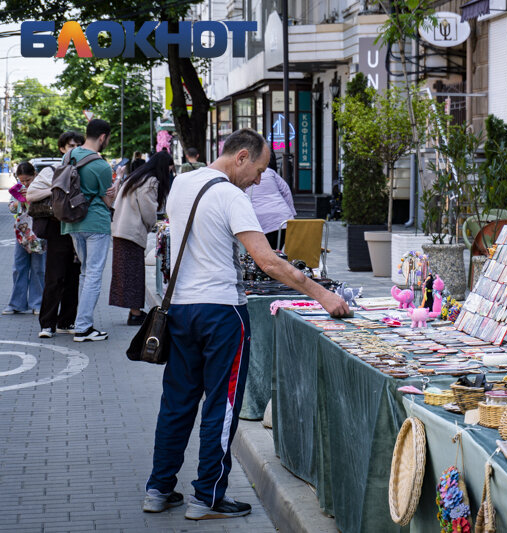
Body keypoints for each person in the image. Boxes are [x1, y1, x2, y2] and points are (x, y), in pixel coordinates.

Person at [143, 128, 348, 520]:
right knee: (220, 407)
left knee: (176, 402)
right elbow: (267, 260)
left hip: (181, 309)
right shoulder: (230, 195)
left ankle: (158, 488)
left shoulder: (182, 183)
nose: (259, 179)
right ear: (240, 156)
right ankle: (207, 497)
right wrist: (322, 294)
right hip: (222, 314)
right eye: (258, 170)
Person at [62, 118, 116, 342]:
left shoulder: (68, 156)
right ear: (102, 137)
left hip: (72, 221)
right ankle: (83, 327)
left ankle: (82, 322)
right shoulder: (102, 166)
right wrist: (113, 193)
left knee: (85, 271)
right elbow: (107, 201)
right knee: (93, 274)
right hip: (96, 223)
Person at [27, 131, 85, 337]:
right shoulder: (52, 171)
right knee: (55, 276)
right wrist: (56, 189)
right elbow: (31, 194)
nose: (75, 149)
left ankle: (67, 321)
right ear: (62, 148)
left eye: (79, 145)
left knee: (73, 277)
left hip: (79, 228)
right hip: (57, 228)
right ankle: (47, 324)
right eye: (71, 146)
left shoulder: (85, 170)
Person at [109, 151, 172, 325]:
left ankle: (134, 311)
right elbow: (148, 209)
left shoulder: (135, 178)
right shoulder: (150, 181)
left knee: (127, 273)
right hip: (132, 232)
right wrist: (155, 224)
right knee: (134, 274)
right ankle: (135, 313)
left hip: (121, 230)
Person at [3, 162, 45, 315]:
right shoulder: (17, 188)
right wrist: (19, 200)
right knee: (19, 267)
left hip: (40, 232)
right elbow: (12, 208)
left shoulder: (42, 185)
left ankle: (37, 303)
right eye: (22, 180)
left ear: (34, 174)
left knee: (38, 268)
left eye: (28, 179)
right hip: (22, 232)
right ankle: (17, 303)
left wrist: (32, 197)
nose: (25, 183)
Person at [247, 147, 296, 250]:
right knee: (276, 252)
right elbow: (286, 191)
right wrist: (291, 213)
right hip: (283, 219)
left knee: (264, 256)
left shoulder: (244, 175)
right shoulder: (270, 172)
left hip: (261, 220)